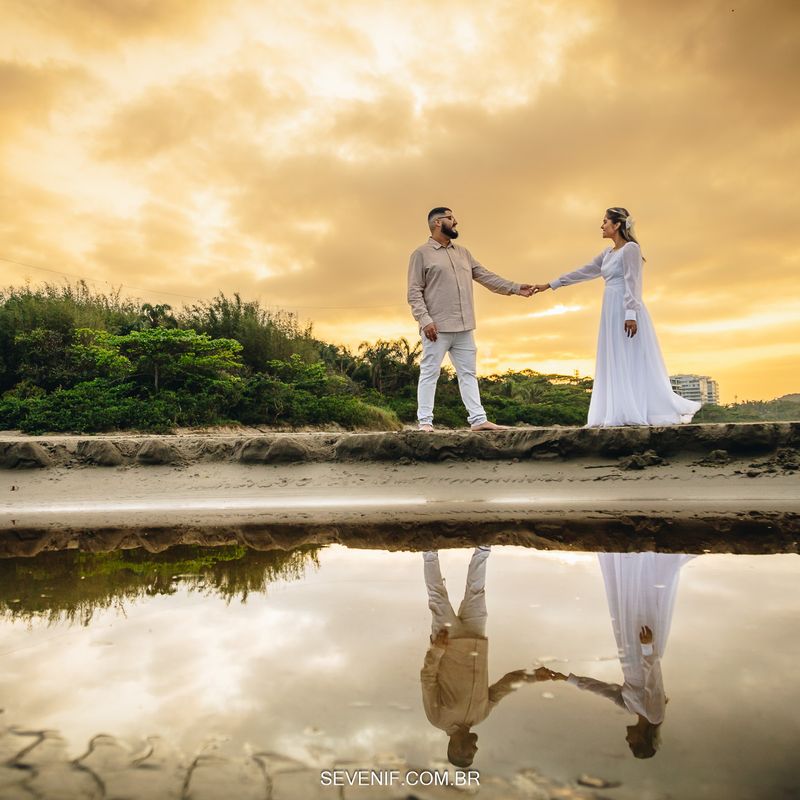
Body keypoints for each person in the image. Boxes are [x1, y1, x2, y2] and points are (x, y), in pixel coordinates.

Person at [532, 208, 700, 427]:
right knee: (615, 357)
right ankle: (619, 409)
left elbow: (633, 282)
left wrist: (631, 314)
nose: (601, 226)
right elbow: (584, 271)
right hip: (610, 309)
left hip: (626, 308)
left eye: (604, 222)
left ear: (617, 225)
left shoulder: (630, 249)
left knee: (630, 357)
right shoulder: (608, 253)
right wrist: (550, 284)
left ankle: (639, 409)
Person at [550, 552, 695, 758]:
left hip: (629, 659)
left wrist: (568, 679)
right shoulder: (654, 715)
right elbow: (654, 680)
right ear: (642, 739)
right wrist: (647, 648)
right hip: (644, 656)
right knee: (642, 611)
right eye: (632, 744)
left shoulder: (630, 707)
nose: (627, 740)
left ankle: (629, 563)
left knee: (626, 608)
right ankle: (643, 562)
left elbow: (602, 690)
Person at [421, 547, 552, 767]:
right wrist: (534, 676)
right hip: (476, 640)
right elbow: (505, 686)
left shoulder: (438, 719)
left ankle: (428, 549)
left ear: (454, 750)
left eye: (468, 753)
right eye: (473, 753)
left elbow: (428, 680)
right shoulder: (480, 717)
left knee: (437, 596)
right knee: (477, 591)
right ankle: (483, 545)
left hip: (448, 643)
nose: (475, 748)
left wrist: (436, 651)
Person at [408, 207, 534, 432]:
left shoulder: (463, 253)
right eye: (450, 218)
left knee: (468, 374)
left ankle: (478, 420)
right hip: (436, 327)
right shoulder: (421, 254)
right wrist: (425, 320)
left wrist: (515, 288)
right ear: (437, 223)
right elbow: (414, 292)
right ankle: (425, 422)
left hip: (465, 327)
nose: (455, 222)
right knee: (430, 372)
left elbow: (485, 276)